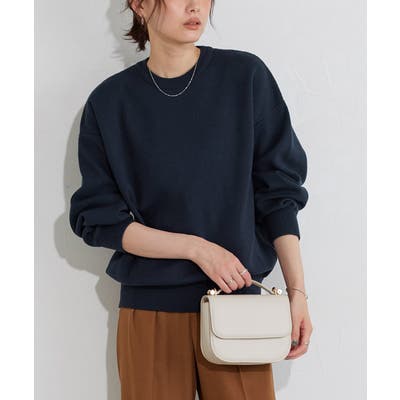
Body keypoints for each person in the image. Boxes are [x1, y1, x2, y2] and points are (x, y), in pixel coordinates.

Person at [69, 0, 313, 398]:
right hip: (151, 313)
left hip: (240, 311)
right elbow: (99, 219)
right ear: (139, 5)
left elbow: (279, 193)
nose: (195, 5)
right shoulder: (109, 103)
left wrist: (297, 292)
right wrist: (197, 249)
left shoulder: (245, 78)